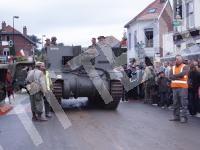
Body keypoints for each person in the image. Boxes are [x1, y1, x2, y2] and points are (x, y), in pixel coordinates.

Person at [169, 55, 189, 123]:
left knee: (184, 103)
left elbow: (183, 74)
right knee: (175, 103)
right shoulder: (173, 67)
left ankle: (184, 117)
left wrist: (175, 76)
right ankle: (176, 116)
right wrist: (178, 76)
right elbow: (170, 76)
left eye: (177, 59)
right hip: (175, 87)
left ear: (181, 60)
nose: (176, 60)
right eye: (176, 59)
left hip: (183, 87)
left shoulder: (185, 66)